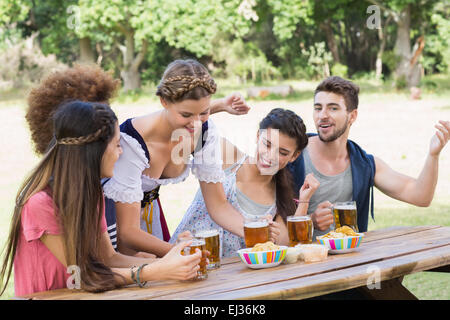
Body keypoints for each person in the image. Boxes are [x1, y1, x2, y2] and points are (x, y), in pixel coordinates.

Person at [0, 101, 203, 297]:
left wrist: (171, 259)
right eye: (116, 145)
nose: (121, 152)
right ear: (95, 152)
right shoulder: (41, 203)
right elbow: (82, 276)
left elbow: (109, 257)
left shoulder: (91, 191)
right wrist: (154, 271)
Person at [102, 59, 251, 257]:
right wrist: (179, 252)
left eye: (204, 112)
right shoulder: (132, 143)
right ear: (164, 101)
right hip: (112, 223)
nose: (196, 124)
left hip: (150, 216)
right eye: (186, 114)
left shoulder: (202, 133)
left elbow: (218, 206)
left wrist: (256, 231)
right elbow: (127, 232)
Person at [287, 76, 450, 238]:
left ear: (352, 116)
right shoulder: (291, 154)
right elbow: (267, 219)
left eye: (333, 108)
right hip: (302, 259)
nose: (322, 115)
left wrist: (433, 155)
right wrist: (310, 220)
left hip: (351, 260)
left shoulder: (364, 165)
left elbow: (421, 196)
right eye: (318, 108)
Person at [170, 108, 320, 257]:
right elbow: (185, 128)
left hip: (234, 277)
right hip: (183, 257)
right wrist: (220, 106)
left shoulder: (280, 197)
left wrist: (304, 201)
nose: (270, 156)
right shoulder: (228, 158)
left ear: (294, 156)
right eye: (267, 144)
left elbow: (284, 245)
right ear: (257, 136)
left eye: (282, 153)